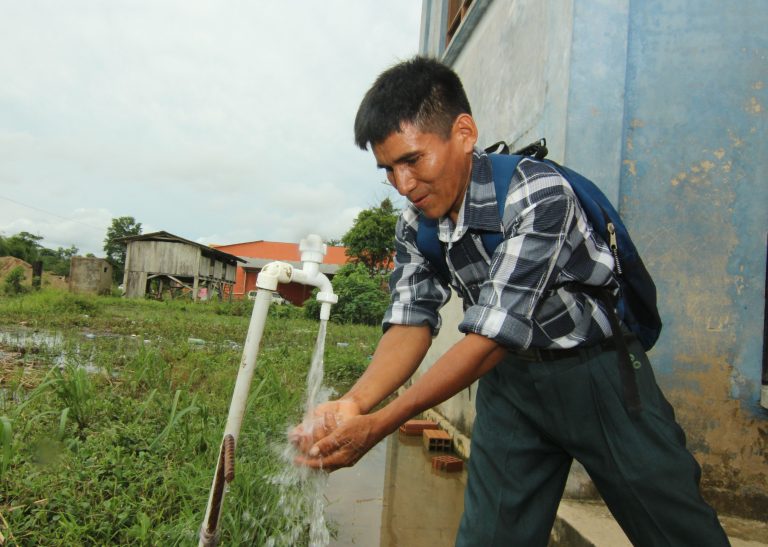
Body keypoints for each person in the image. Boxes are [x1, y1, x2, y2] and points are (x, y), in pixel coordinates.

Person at [292, 56, 729, 546]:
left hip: (597, 374)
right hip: (509, 385)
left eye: (412, 160)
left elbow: (491, 335)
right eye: (388, 170)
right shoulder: (416, 225)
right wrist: (355, 403)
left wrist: (380, 424)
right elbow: (410, 321)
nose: (404, 186)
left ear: (464, 132)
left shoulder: (537, 194)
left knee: (674, 528)